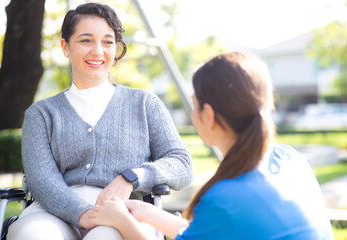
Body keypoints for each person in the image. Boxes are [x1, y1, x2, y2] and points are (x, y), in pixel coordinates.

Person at [86, 52, 334, 240]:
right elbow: (209, 231)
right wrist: (145, 212)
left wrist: (121, 221)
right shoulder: (290, 160)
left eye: (194, 104)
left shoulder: (225, 197)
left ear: (208, 115)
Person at [6, 3, 193, 240]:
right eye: (86, 40)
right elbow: (42, 180)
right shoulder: (41, 114)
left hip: (122, 212)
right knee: (34, 235)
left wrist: (133, 177)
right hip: (51, 212)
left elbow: (182, 163)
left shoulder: (145, 104)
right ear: (65, 47)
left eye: (107, 42)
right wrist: (83, 213)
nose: (98, 51)